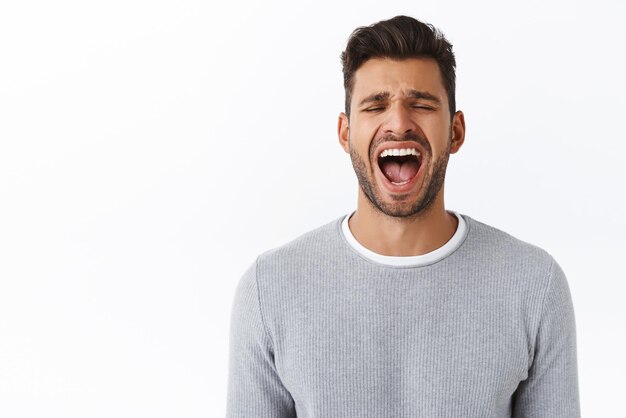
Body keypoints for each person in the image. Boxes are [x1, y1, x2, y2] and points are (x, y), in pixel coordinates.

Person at [226, 15, 580, 418]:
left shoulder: (533, 285)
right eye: (376, 105)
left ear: (456, 131)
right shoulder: (269, 289)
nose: (398, 123)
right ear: (345, 133)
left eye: (422, 105)